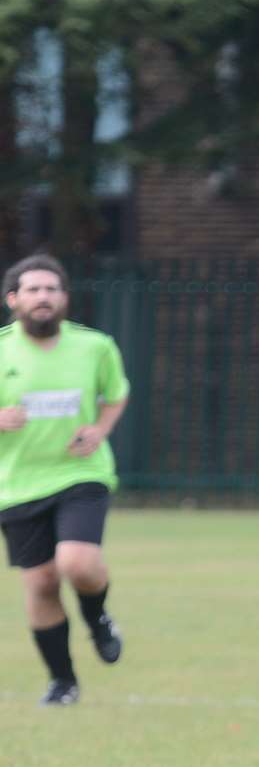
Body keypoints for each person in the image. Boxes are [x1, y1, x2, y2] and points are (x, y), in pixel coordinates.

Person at [0, 255, 129, 706]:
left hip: (81, 475)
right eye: (33, 290)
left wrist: (100, 430)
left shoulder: (95, 347)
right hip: (16, 485)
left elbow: (116, 395)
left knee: (77, 564)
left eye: (51, 289)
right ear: (13, 299)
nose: (43, 297)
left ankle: (97, 621)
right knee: (40, 584)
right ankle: (63, 681)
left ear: (64, 299)